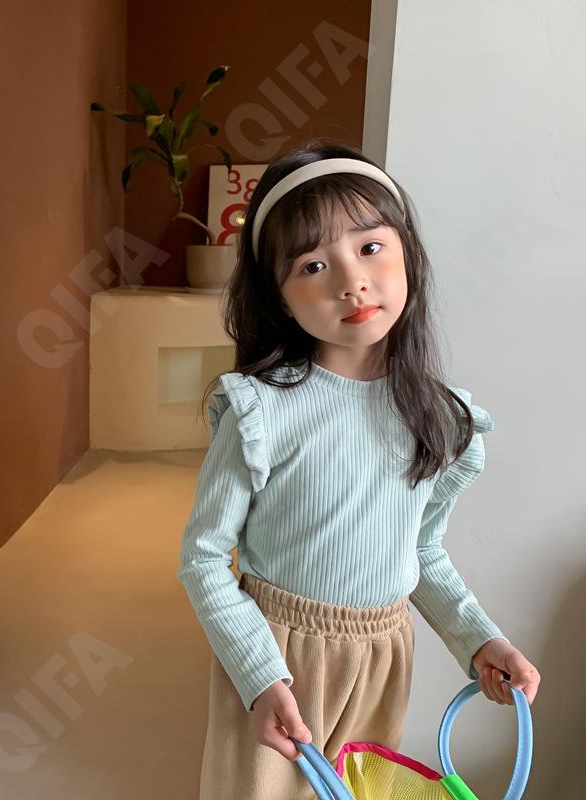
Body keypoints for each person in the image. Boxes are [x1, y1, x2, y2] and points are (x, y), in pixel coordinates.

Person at [176, 138, 541, 799]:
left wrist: (479, 639)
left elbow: (421, 551)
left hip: (382, 661)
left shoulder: (440, 417)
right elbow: (204, 558)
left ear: (408, 254)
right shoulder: (261, 411)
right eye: (313, 264)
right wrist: (260, 676)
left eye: (370, 246)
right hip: (279, 658)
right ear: (280, 297)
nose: (351, 281)